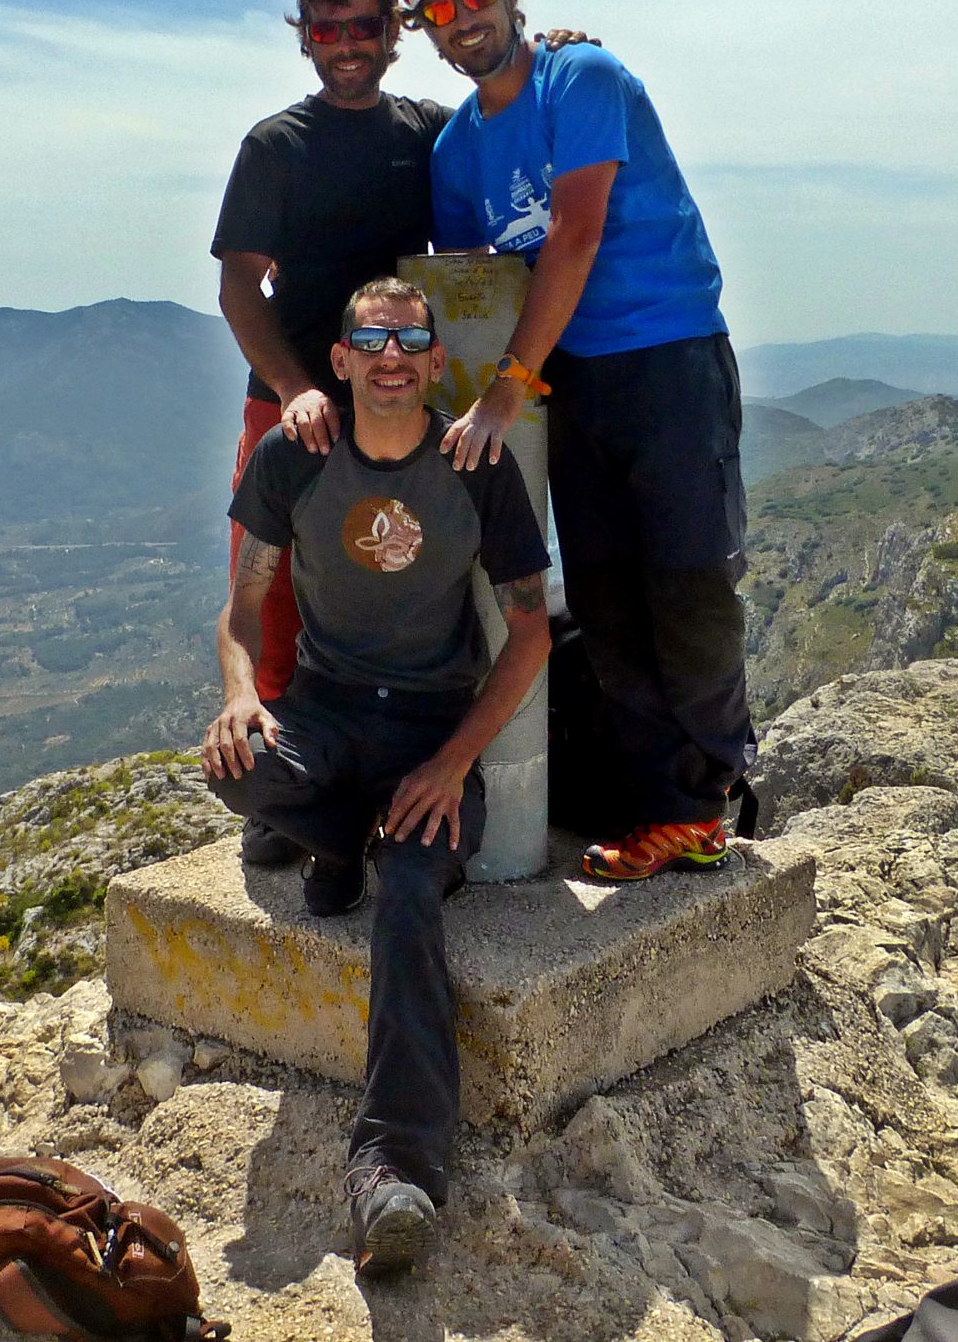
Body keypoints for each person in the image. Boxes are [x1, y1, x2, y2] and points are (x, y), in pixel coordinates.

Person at [199, 276, 551, 1278]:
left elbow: (530, 633)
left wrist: (451, 766)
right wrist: (241, 697)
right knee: (235, 765)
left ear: (436, 361)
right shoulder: (293, 457)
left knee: (407, 894)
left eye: (408, 340)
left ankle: (395, 1167)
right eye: (371, 340)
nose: (390, 356)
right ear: (342, 359)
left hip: (433, 731)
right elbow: (241, 611)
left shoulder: (474, 466)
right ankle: (342, 839)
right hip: (326, 711)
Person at [397, 0, 755, 883]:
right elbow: (475, 279)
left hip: (667, 354)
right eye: (439, 9)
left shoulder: (582, 77)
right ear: (423, 30)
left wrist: (506, 391)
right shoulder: (456, 150)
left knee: (687, 582)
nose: (464, 18)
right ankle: (660, 810)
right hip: (571, 380)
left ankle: (707, 798)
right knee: (604, 596)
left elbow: (576, 233)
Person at [209, 0, 451, 865]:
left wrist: (549, 53)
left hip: (395, 406)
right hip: (290, 407)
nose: (346, 44)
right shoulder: (276, 146)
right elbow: (240, 288)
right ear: (305, 39)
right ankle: (282, 796)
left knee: (395, 591)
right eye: (327, 28)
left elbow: (512, 125)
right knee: (271, 603)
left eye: (363, 26)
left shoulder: (426, 132)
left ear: (394, 33)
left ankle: (372, 779)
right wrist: (294, 388)